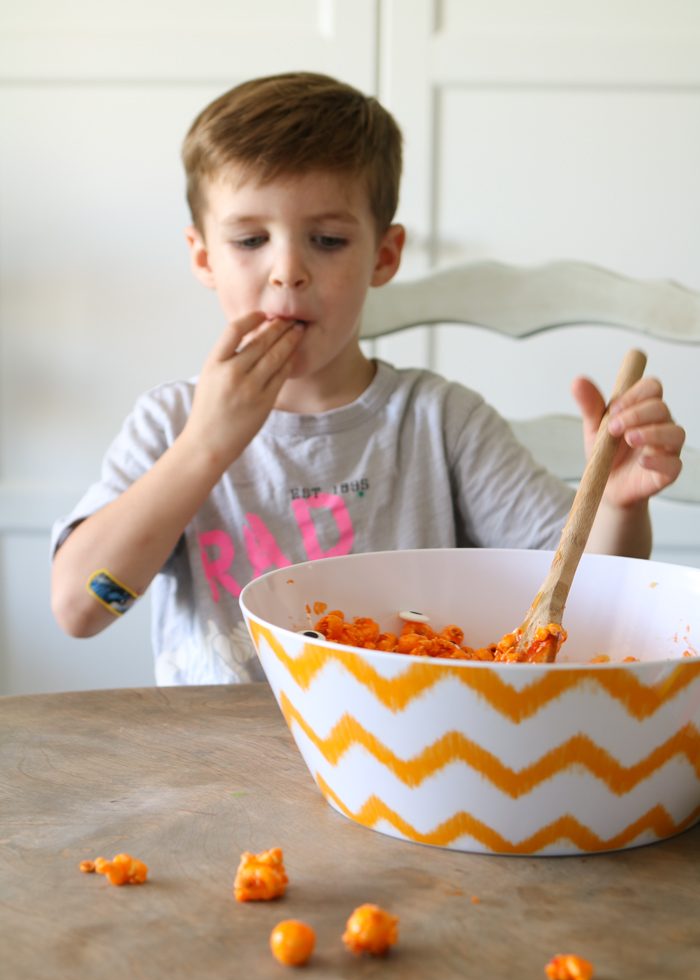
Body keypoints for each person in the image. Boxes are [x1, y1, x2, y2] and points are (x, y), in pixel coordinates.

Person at [50, 72, 685, 684]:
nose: (287, 270)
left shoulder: (440, 422)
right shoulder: (169, 424)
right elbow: (82, 610)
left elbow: (584, 596)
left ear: (384, 256)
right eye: (249, 239)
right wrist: (206, 444)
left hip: (409, 749)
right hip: (218, 764)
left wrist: (617, 503)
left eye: (327, 239)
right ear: (202, 256)